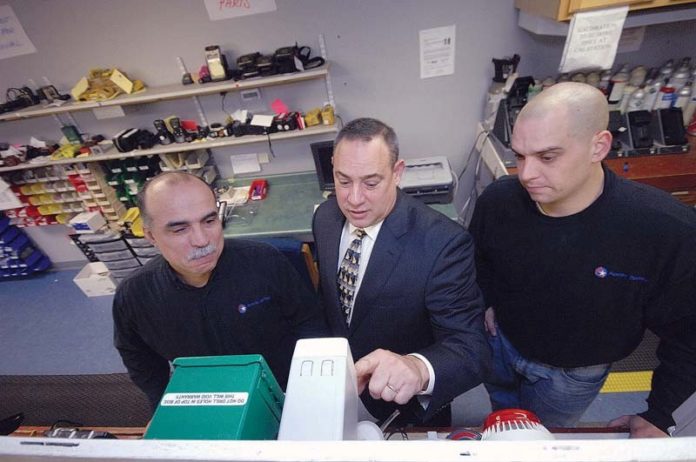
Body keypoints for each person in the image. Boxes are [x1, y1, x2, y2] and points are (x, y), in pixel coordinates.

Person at [469, 82, 696, 437]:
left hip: (572, 375)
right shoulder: (498, 202)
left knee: (544, 440)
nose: (526, 174)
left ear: (598, 146)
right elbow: (479, 260)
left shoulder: (663, 229)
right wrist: (486, 303)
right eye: (520, 156)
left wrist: (661, 413)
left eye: (547, 157)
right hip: (502, 343)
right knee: (502, 414)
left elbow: (690, 331)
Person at [312, 117, 489, 426]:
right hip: (342, 389)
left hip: (403, 404)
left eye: (370, 183)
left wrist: (418, 369)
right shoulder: (325, 217)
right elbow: (331, 300)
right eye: (343, 181)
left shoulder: (443, 244)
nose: (354, 199)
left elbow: (471, 349)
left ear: (397, 172)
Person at [113, 172, 328, 412]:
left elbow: (310, 322)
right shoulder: (134, 296)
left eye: (209, 221)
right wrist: (163, 406)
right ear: (151, 235)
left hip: (286, 393)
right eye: (180, 229)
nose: (202, 240)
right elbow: (139, 358)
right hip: (208, 403)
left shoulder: (265, 262)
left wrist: (311, 386)